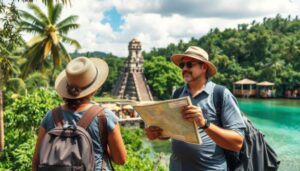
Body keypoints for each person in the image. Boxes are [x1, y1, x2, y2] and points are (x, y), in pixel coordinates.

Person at [145, 46, 246, 171]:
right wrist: (157, 133)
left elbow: (237, 143)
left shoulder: (220, 95)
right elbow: (174, 132)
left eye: (189, 64)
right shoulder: (177, 94)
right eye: (182, 65)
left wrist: (204, 123)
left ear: (204, 67)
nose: (185, 69)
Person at [32, 57, 127, 171]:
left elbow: (36, 161)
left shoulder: (51, 116)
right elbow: (120, 160)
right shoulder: (104, 117)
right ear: (94, 90)